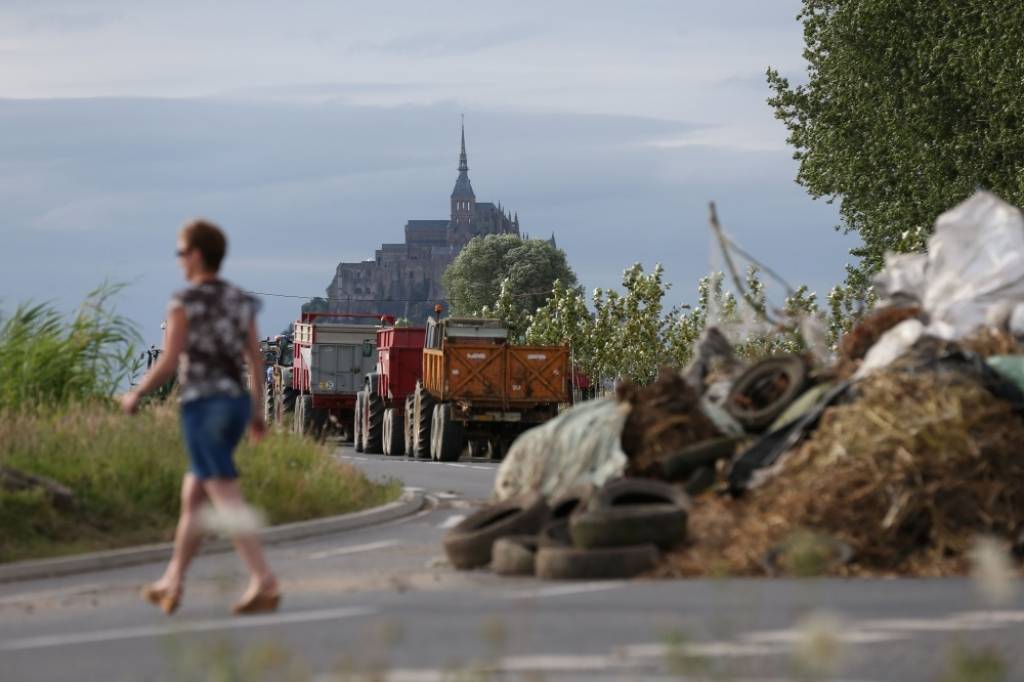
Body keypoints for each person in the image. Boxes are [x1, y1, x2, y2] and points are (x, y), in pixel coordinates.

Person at [121, 219, 279, 616]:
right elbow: (255, 361)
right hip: (235, 404)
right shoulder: (239, 300)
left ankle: (263, 579)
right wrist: (257, 411)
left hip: (203, 406)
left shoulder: (185, 302)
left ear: (195, 255)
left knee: (224, 493)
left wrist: (137, 392)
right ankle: (172, 581)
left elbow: (169, 360)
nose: (179, 260)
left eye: (181, 252)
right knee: (193, 495)